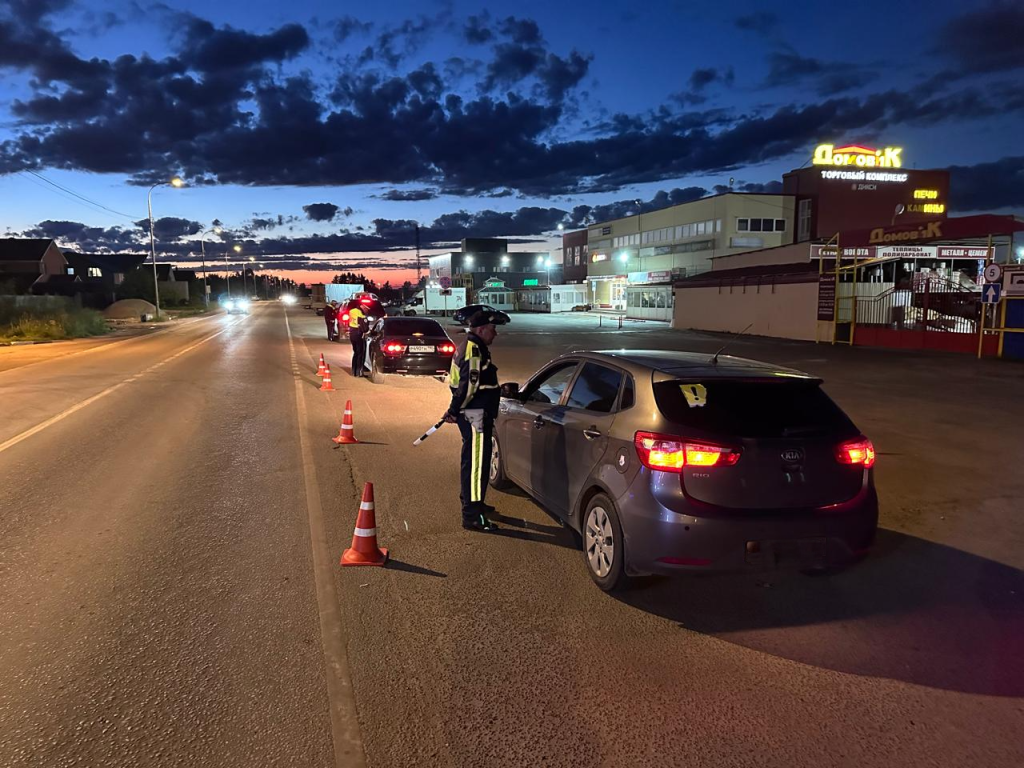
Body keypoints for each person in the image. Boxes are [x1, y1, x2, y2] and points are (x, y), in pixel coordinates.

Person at [443, 310, 508, 532]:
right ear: (481, 330)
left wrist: (455, 409)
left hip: (473, 413)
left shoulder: (474, 346)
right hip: (475, 415)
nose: (495, 333)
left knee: (472, 462)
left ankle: (474, 504)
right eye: (492, 329)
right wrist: (453, 409)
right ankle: (472, 516)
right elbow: (468, 387)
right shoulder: (473, 350)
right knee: (476, 466)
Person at [347, 302, 368, 376]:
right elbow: (364, 327)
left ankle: (354, 371)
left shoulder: (352, 311)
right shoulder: (361, 314)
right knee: (360, 353)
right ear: (362, 306)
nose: (366, 309)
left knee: (355, 352)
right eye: (365, 308)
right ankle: (359, 372)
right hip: (359, 334)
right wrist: (367, 331)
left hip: (352, 333)